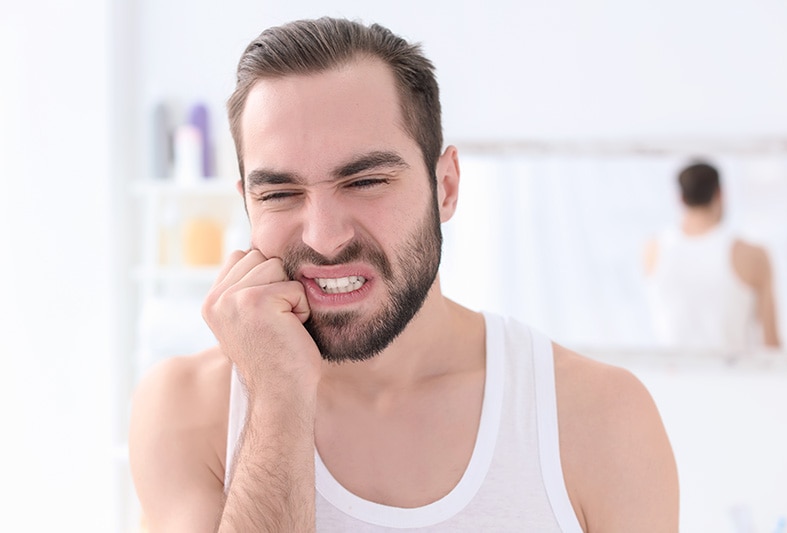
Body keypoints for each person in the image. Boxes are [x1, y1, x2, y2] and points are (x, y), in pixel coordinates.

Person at [129, 17, 678, 532]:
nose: (323, 236)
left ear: (446, 187)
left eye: (365, 181)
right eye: (279, 193)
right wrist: (276, 399)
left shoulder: (597, 417)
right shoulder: (186, 410)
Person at [643, 161, 780, 351]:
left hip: (670, 377)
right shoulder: (753, 255)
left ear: (680, 198)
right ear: (720, 194)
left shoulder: (652, 249)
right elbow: (772, 345)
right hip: (737, 378)